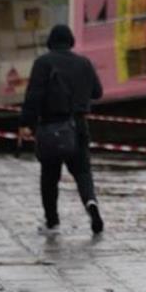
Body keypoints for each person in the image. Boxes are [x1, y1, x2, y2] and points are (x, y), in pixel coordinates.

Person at [19, 24, 105, 235]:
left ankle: (52, 221)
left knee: (49, 176)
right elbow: (97, 92)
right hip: (79, 126)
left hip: (51, 127)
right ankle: (91, 204)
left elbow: (33, 96)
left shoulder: (43, 63)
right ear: (70, 41)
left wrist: (26, 124)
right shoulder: (84, 63)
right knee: (83, 172)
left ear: (51, 41)